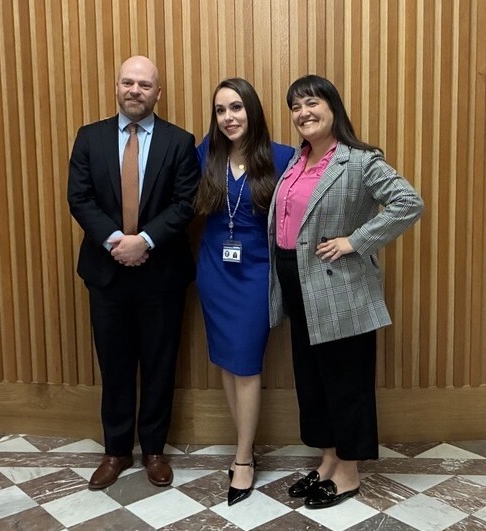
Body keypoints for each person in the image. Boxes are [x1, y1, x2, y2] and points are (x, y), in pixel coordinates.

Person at [268, 75, 424, 509]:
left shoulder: (359, 160)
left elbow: (408, 202)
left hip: (341, 290)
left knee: (345, 381)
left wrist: (356, 241)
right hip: (297, 284)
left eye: (312, 102)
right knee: (313, 381)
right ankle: (327, 461)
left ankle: (349, 473)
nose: (303, 113)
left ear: (333, 106)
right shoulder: (294, 162)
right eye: (295, 107)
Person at [67, 55, 200, 490]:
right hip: (106, 274)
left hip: (160, 273)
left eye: (144, 85)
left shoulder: (180, 142)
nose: (135, 91)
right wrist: (115, 242)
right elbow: (79, 198)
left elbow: (185, 202)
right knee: (115, 364)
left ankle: (155, 451)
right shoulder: (89, 137)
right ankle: (116, 451)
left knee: (161, 364)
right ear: (116, 87)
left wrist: (143, 241)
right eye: (128, 82)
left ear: (158, 93)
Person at [194, 78, 294, 506]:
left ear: (251, 109)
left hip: (256, 272)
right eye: (220, 110)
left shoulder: (283, 157)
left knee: (247, 364)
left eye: (236, 107)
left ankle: (243, 459)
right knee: (225, 361)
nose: (229, 117)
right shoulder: (206, 155)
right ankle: (244, 446)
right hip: (214, 270)